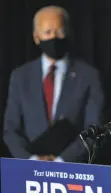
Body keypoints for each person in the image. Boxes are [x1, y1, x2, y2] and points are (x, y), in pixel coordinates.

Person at [3, 5, 104, 162]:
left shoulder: (88, 76)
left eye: (59, 31)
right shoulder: (20, 77)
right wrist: (32, 159)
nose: (54, 37)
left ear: (68, 33)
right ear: (37, 37)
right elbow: (10, 129)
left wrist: (61, 161)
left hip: (73, 168)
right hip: (30, 170)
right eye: (47, 32)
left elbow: (94, 129)